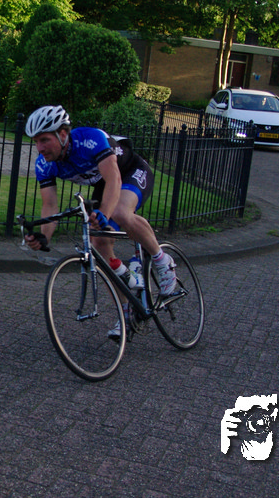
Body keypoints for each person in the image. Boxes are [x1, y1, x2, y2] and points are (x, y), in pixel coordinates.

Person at [22, 105, 178, 342]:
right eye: (36, 141)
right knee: (98, 241)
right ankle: (126, 311)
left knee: (120, 212)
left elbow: (114, 179)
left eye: (44, 140)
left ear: (62, 134)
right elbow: (50, 205)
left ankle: (162, 261)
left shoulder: (89, 140)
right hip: (104, 183)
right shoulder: (44, 164)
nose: (40, 148)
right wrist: (45, 237)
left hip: (130, 171)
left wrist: (105, 213)